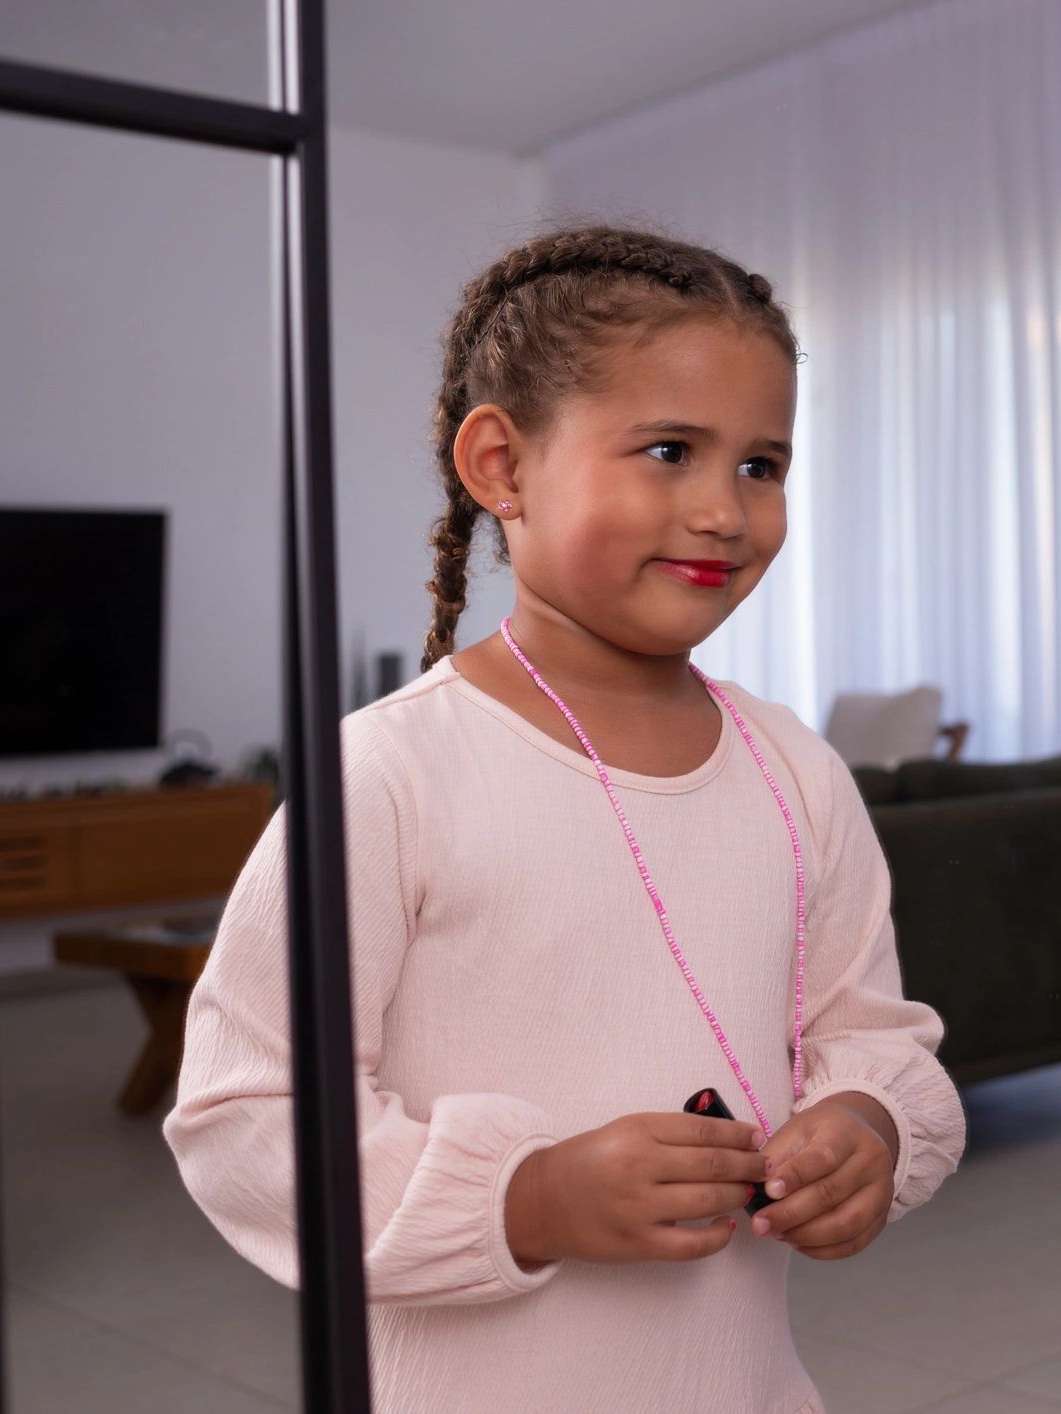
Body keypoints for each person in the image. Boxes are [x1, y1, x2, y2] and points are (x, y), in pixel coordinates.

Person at [167, 226, 964, 1413]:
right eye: (668, 449)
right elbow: (246, 1121)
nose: (725, 511)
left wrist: (871, 1123)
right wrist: (524, 1197)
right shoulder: (384, 776)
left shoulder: (797, 770)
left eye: (762, 465)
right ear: (501, 464)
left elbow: (878, 1035)